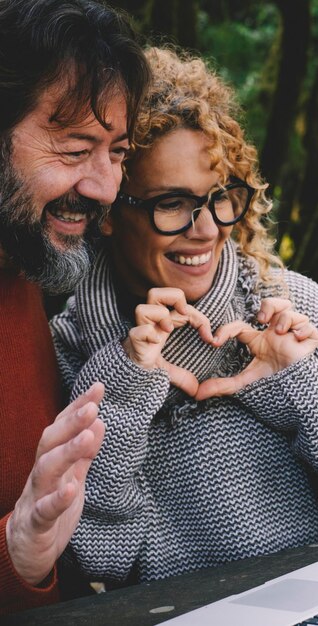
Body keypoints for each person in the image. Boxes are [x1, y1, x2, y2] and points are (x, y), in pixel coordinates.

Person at [51, 47, 318, 590]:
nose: (205, 230)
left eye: (220, 197)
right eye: (171, 203)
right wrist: (125, 388)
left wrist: (300, 389)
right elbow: (101, 555)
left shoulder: (293, 306)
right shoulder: (70, 346)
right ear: (109, 210)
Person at [0, 0, 149, 615]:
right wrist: (16, 549)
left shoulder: (23, 263)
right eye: (73, 148)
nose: (105, 187)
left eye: (116, 152)